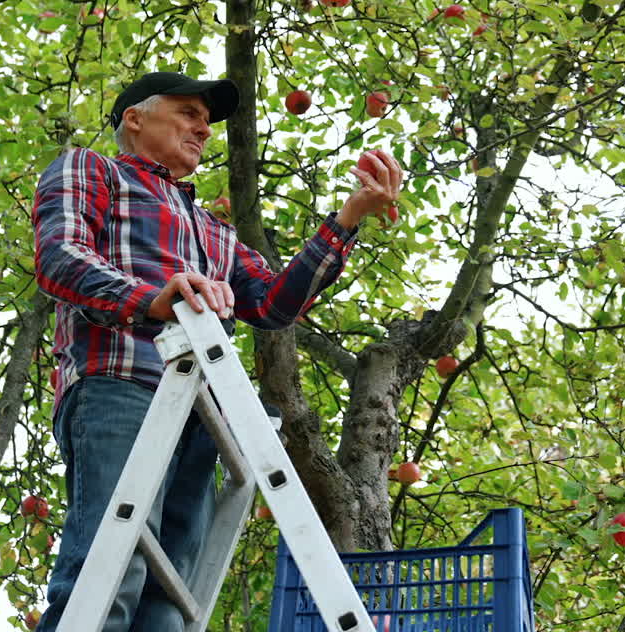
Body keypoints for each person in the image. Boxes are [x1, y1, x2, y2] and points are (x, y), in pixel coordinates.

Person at [30, 71, 402, 631]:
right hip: (120, 381)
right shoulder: (91, 169)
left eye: (207, 122)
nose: (203, 128)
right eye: (188, 113)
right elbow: (60, 258)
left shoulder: (215, 232)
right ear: (135, 118)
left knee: (170, 595)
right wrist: (151, 299)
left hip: (201, 410)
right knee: (111, 572)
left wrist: (348, 217)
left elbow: (275, 305)